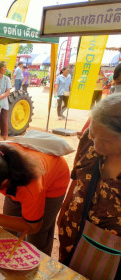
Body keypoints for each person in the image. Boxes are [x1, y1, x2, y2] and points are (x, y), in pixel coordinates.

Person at [58, 94, 121, 279]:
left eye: (103, 140)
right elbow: (77, 177)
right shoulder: (89, 139)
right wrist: (64, 209)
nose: (94, 142)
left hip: (113, 250)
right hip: (73, 232)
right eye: (93, 133)